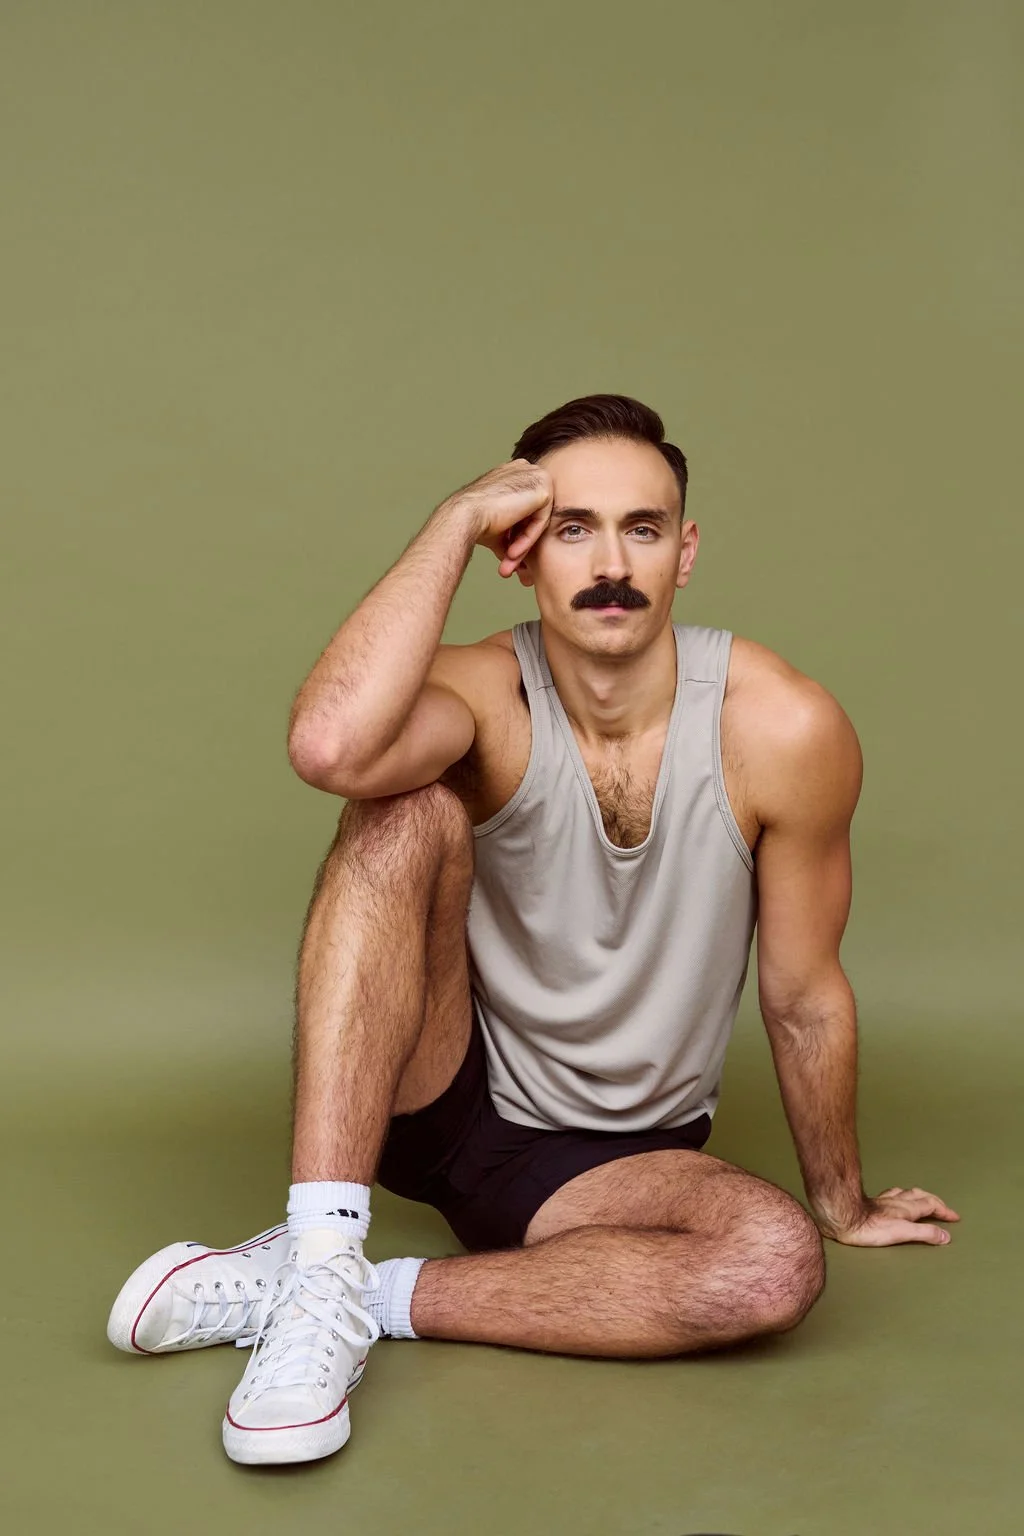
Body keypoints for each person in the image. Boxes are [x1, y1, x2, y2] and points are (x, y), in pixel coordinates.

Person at [106, 393, 960, 1466]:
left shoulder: (781, 725)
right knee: (398, 802)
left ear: (683, 550)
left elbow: (801, 993)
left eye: (641, 527)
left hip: (609, 1171)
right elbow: (331, 745)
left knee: (769, 1265)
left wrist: (840, 1199)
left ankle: (342, 1292)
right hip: (443, 1089)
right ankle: (323, 1250)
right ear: (522, 552)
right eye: (572, 528)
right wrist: (454, 518)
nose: (612, 561)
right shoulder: (485, 690)